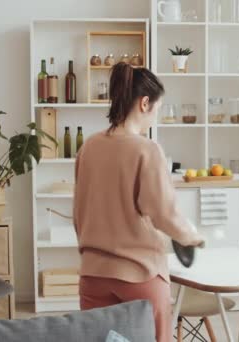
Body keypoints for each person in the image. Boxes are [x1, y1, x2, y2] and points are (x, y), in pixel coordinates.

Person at [73, 62, 204, 342]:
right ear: (145, 103)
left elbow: (79, 213)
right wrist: (191, 236)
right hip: (140, 274)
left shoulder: (88, 148)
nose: (154, 118)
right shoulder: (147, 149)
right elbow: (164, 214)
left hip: (93, 275)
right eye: (157, 109)